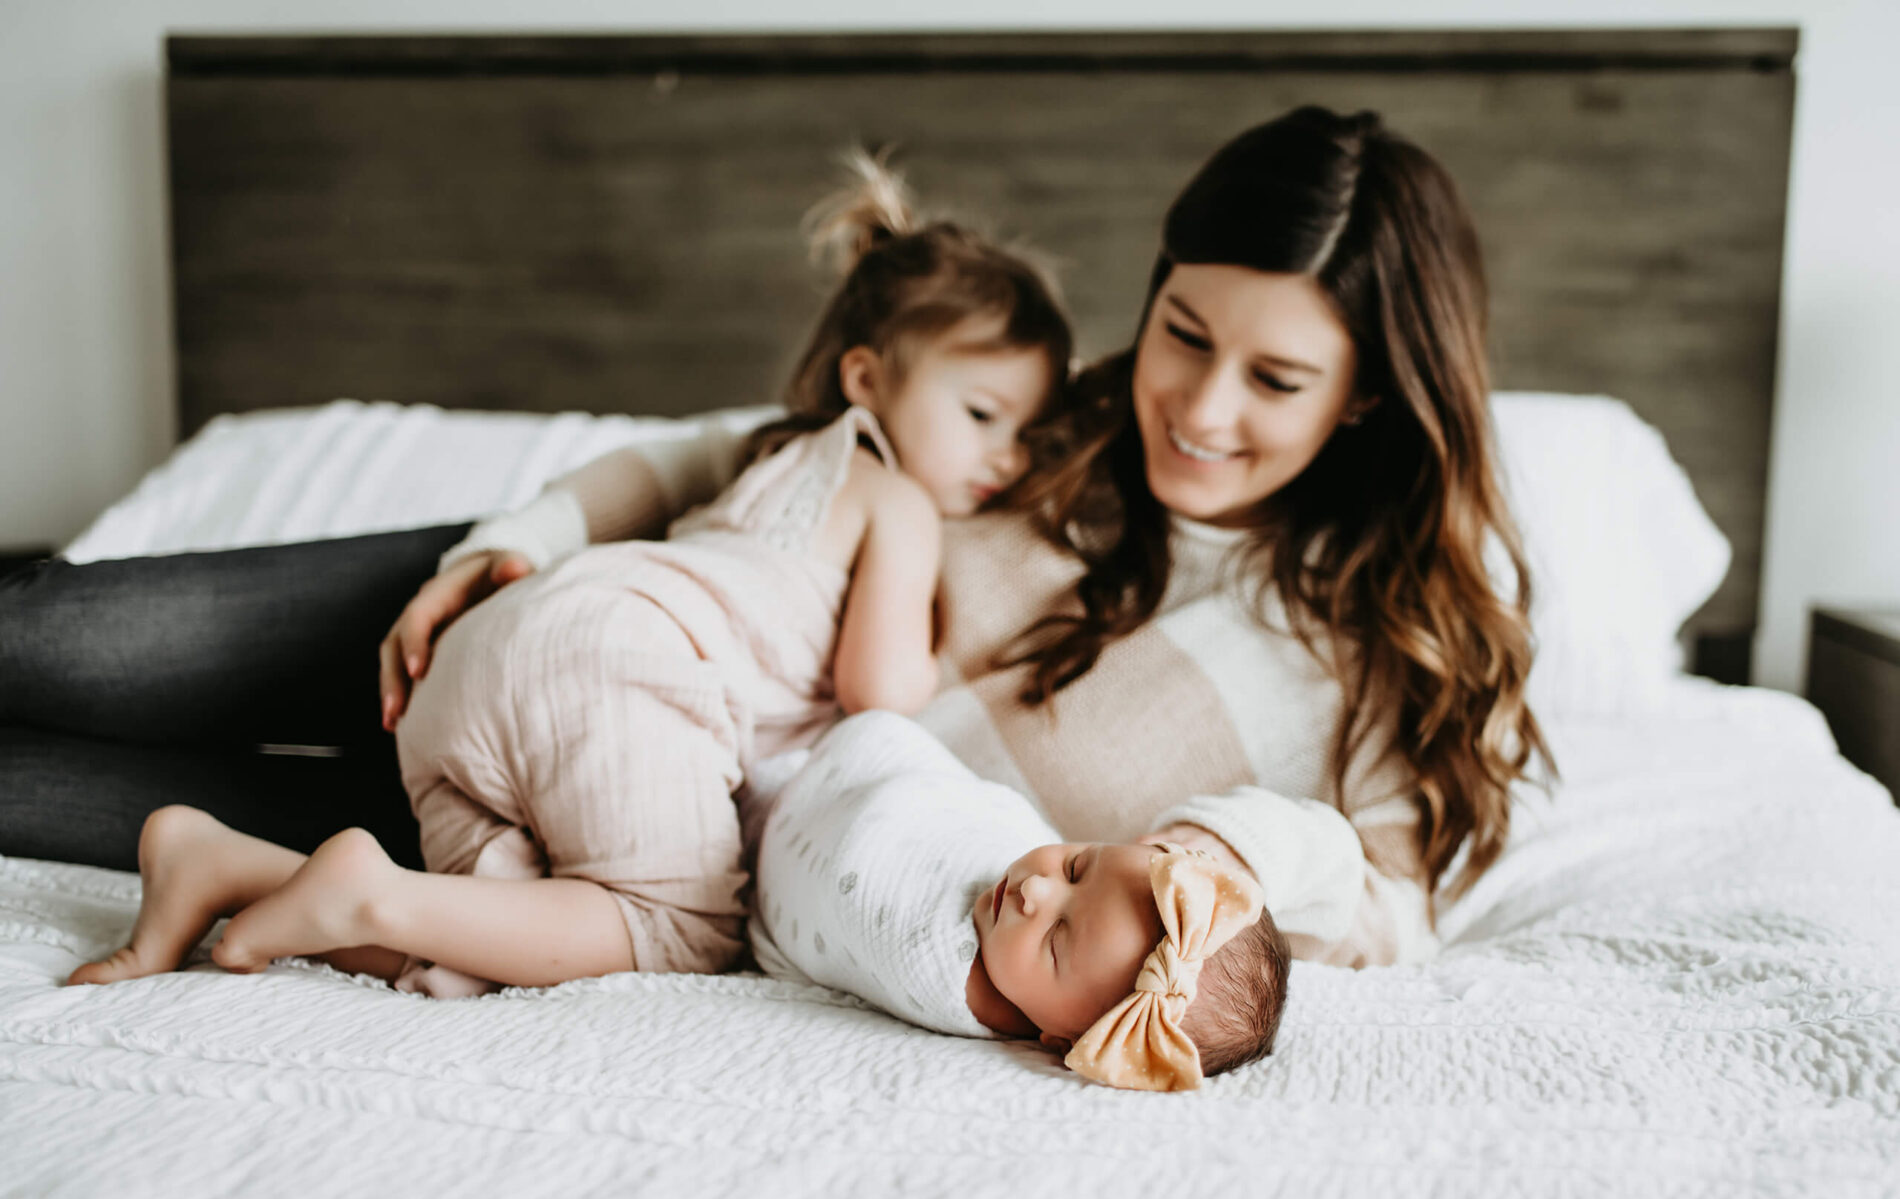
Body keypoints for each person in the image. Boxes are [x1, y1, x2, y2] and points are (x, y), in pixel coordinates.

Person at [8, 104, 1548, 973]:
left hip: (633, 823)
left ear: (1368, 400)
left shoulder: (1370, 654)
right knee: (52, 636)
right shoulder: (1034, 417)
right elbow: (737, 445)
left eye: (1275, 380)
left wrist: (1221, 857)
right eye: (1181, 333)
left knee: (38, 791)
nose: (1197, 408)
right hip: (598, 594)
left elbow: (1389, 914)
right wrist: (519, 535)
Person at [62, 154, 1074, 992]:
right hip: (626, 668)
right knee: (682, 932)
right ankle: (361, 887)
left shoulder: (768, 455)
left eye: (1030, 435)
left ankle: (224, 866)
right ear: (865, 379)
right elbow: (879, 695)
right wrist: (942, 641)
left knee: (493, 941)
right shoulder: (893, 497)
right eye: (983, 416)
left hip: (493, 652)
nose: (1007, 458)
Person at [750, 709, 1353, 1091]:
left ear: (1062, 1041)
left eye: (1057, 938)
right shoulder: (1053, 929)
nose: (1035, 889)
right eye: (1076, 865)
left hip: (777, 850)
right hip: (830, 767)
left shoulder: (961, 984)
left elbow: (862, 880)